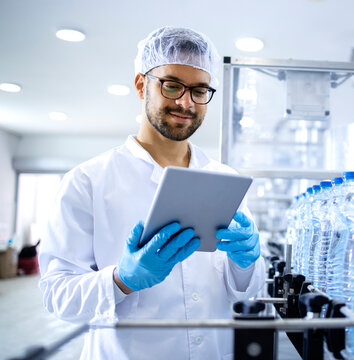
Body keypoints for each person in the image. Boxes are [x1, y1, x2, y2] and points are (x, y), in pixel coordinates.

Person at [38, 26, 266, 360]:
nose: (185, 102)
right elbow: (57, 296)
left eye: (199, 90)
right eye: (172, 85)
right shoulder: (87, 181)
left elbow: (247, 295)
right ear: (141, 84)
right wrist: (122, 280)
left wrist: (247, 264)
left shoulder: (226, 180)